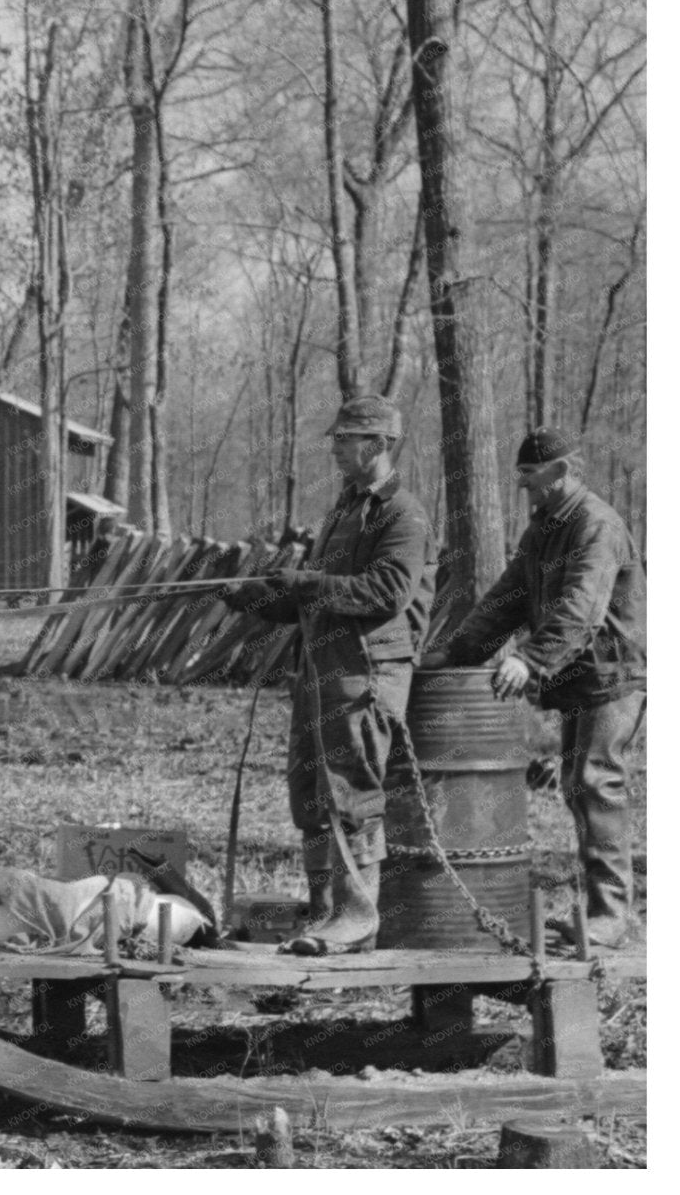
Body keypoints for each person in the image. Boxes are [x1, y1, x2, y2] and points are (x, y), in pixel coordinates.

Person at [222, 395, 435, 954]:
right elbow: (313, 600)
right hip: (320, 670)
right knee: (312, 794)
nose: (337, 446)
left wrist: (306, 583)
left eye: (348, 438)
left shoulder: (402, 514)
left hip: (366, 674)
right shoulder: (344, 510)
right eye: (337, 437)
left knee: (351, 790)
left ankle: (358, 916)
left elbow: (386, 592)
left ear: (381, 444)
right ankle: (324, 915)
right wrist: (255, 598)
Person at [422, 428, 645, 950]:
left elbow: (582, 610)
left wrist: (529, 659)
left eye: (530, 475)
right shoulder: (546, 528)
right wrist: (455, 655)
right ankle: (600, 913)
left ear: (563, 472)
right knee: (577, 787)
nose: (523, 485)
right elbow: (507, 599)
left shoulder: (596, 525)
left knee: (595, 783)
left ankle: (612, 918)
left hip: (613, 677)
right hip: (583, 676)